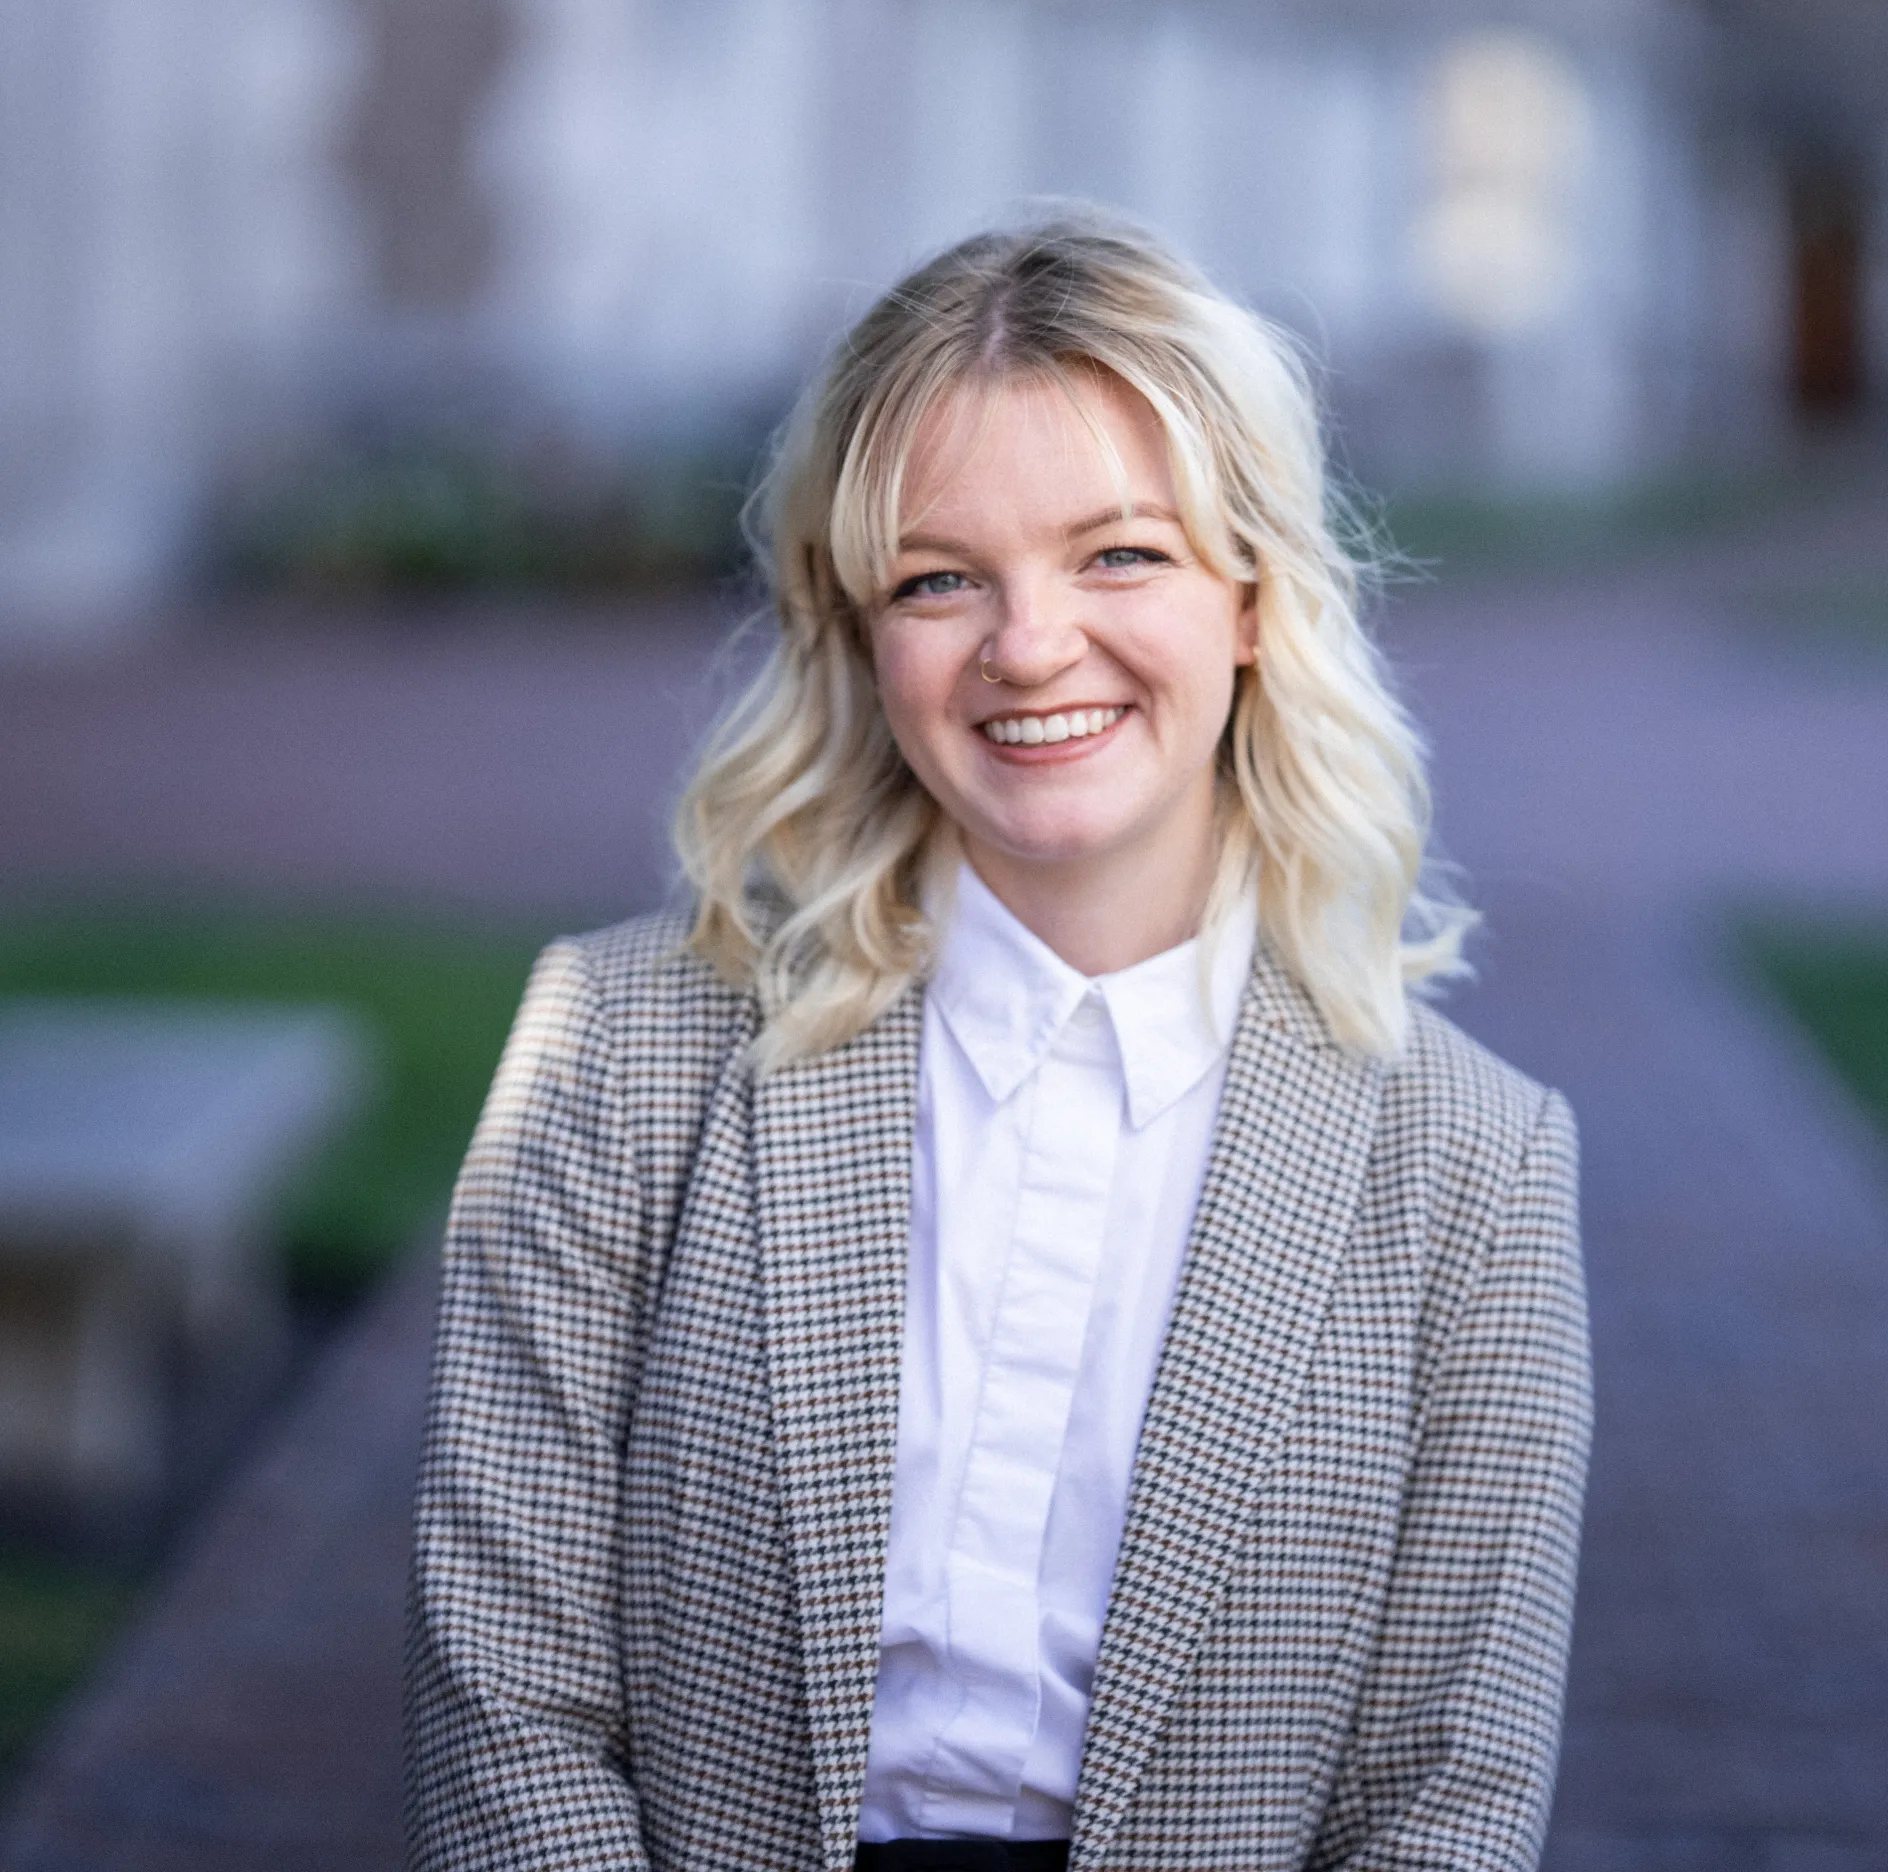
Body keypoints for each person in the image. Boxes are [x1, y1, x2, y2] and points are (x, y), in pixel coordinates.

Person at [405, 211, 1591, 1872]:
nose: (1028, 648)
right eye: (942, 579)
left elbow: (1446, 1801)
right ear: (858, 633)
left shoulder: (1477, 1167)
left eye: (1120, 555)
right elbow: (504, 1701)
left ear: (1252, 597)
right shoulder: (622, 1055)